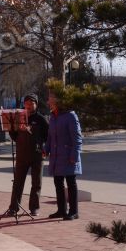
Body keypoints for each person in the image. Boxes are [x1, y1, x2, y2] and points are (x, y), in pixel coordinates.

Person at [7, 94, 49, 216]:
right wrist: (14, 129)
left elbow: (47, 137)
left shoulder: (41, 119)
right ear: (24, 105)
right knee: (18, 182)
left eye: (31, 103)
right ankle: (13, 208)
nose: (29, 106)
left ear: (36, 104)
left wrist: (44, 148)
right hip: (22, 154)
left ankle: (34, 208)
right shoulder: (18, 118)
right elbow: (14, 136)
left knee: (36, 183)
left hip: (37, 155)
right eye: (27, 104)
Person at [44, 90, 83, 221]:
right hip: (56, 156)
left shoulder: (70, 116)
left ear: (58, 101)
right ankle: (61, 210)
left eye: (50, 99)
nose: (48, 102)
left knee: (71, 182)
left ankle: (74, 211)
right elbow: (50, 137)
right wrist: (46, 149)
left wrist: (75, 155)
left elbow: (77, 139)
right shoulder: (52, 116)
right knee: (58, 182)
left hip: (68, 155)